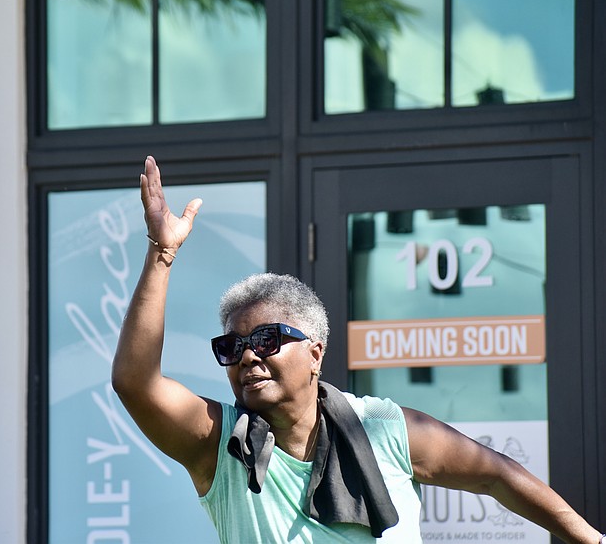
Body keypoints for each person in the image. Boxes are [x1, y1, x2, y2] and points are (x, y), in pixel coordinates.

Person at [111, 156, 604, 543]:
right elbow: (135, 383)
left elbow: (496, 475)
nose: (247, 357)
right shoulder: (218, 446)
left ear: (315, 354)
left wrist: (591, 540)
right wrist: (162, 254)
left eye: (265, 340)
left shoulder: (383, 427)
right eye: (232, 346)